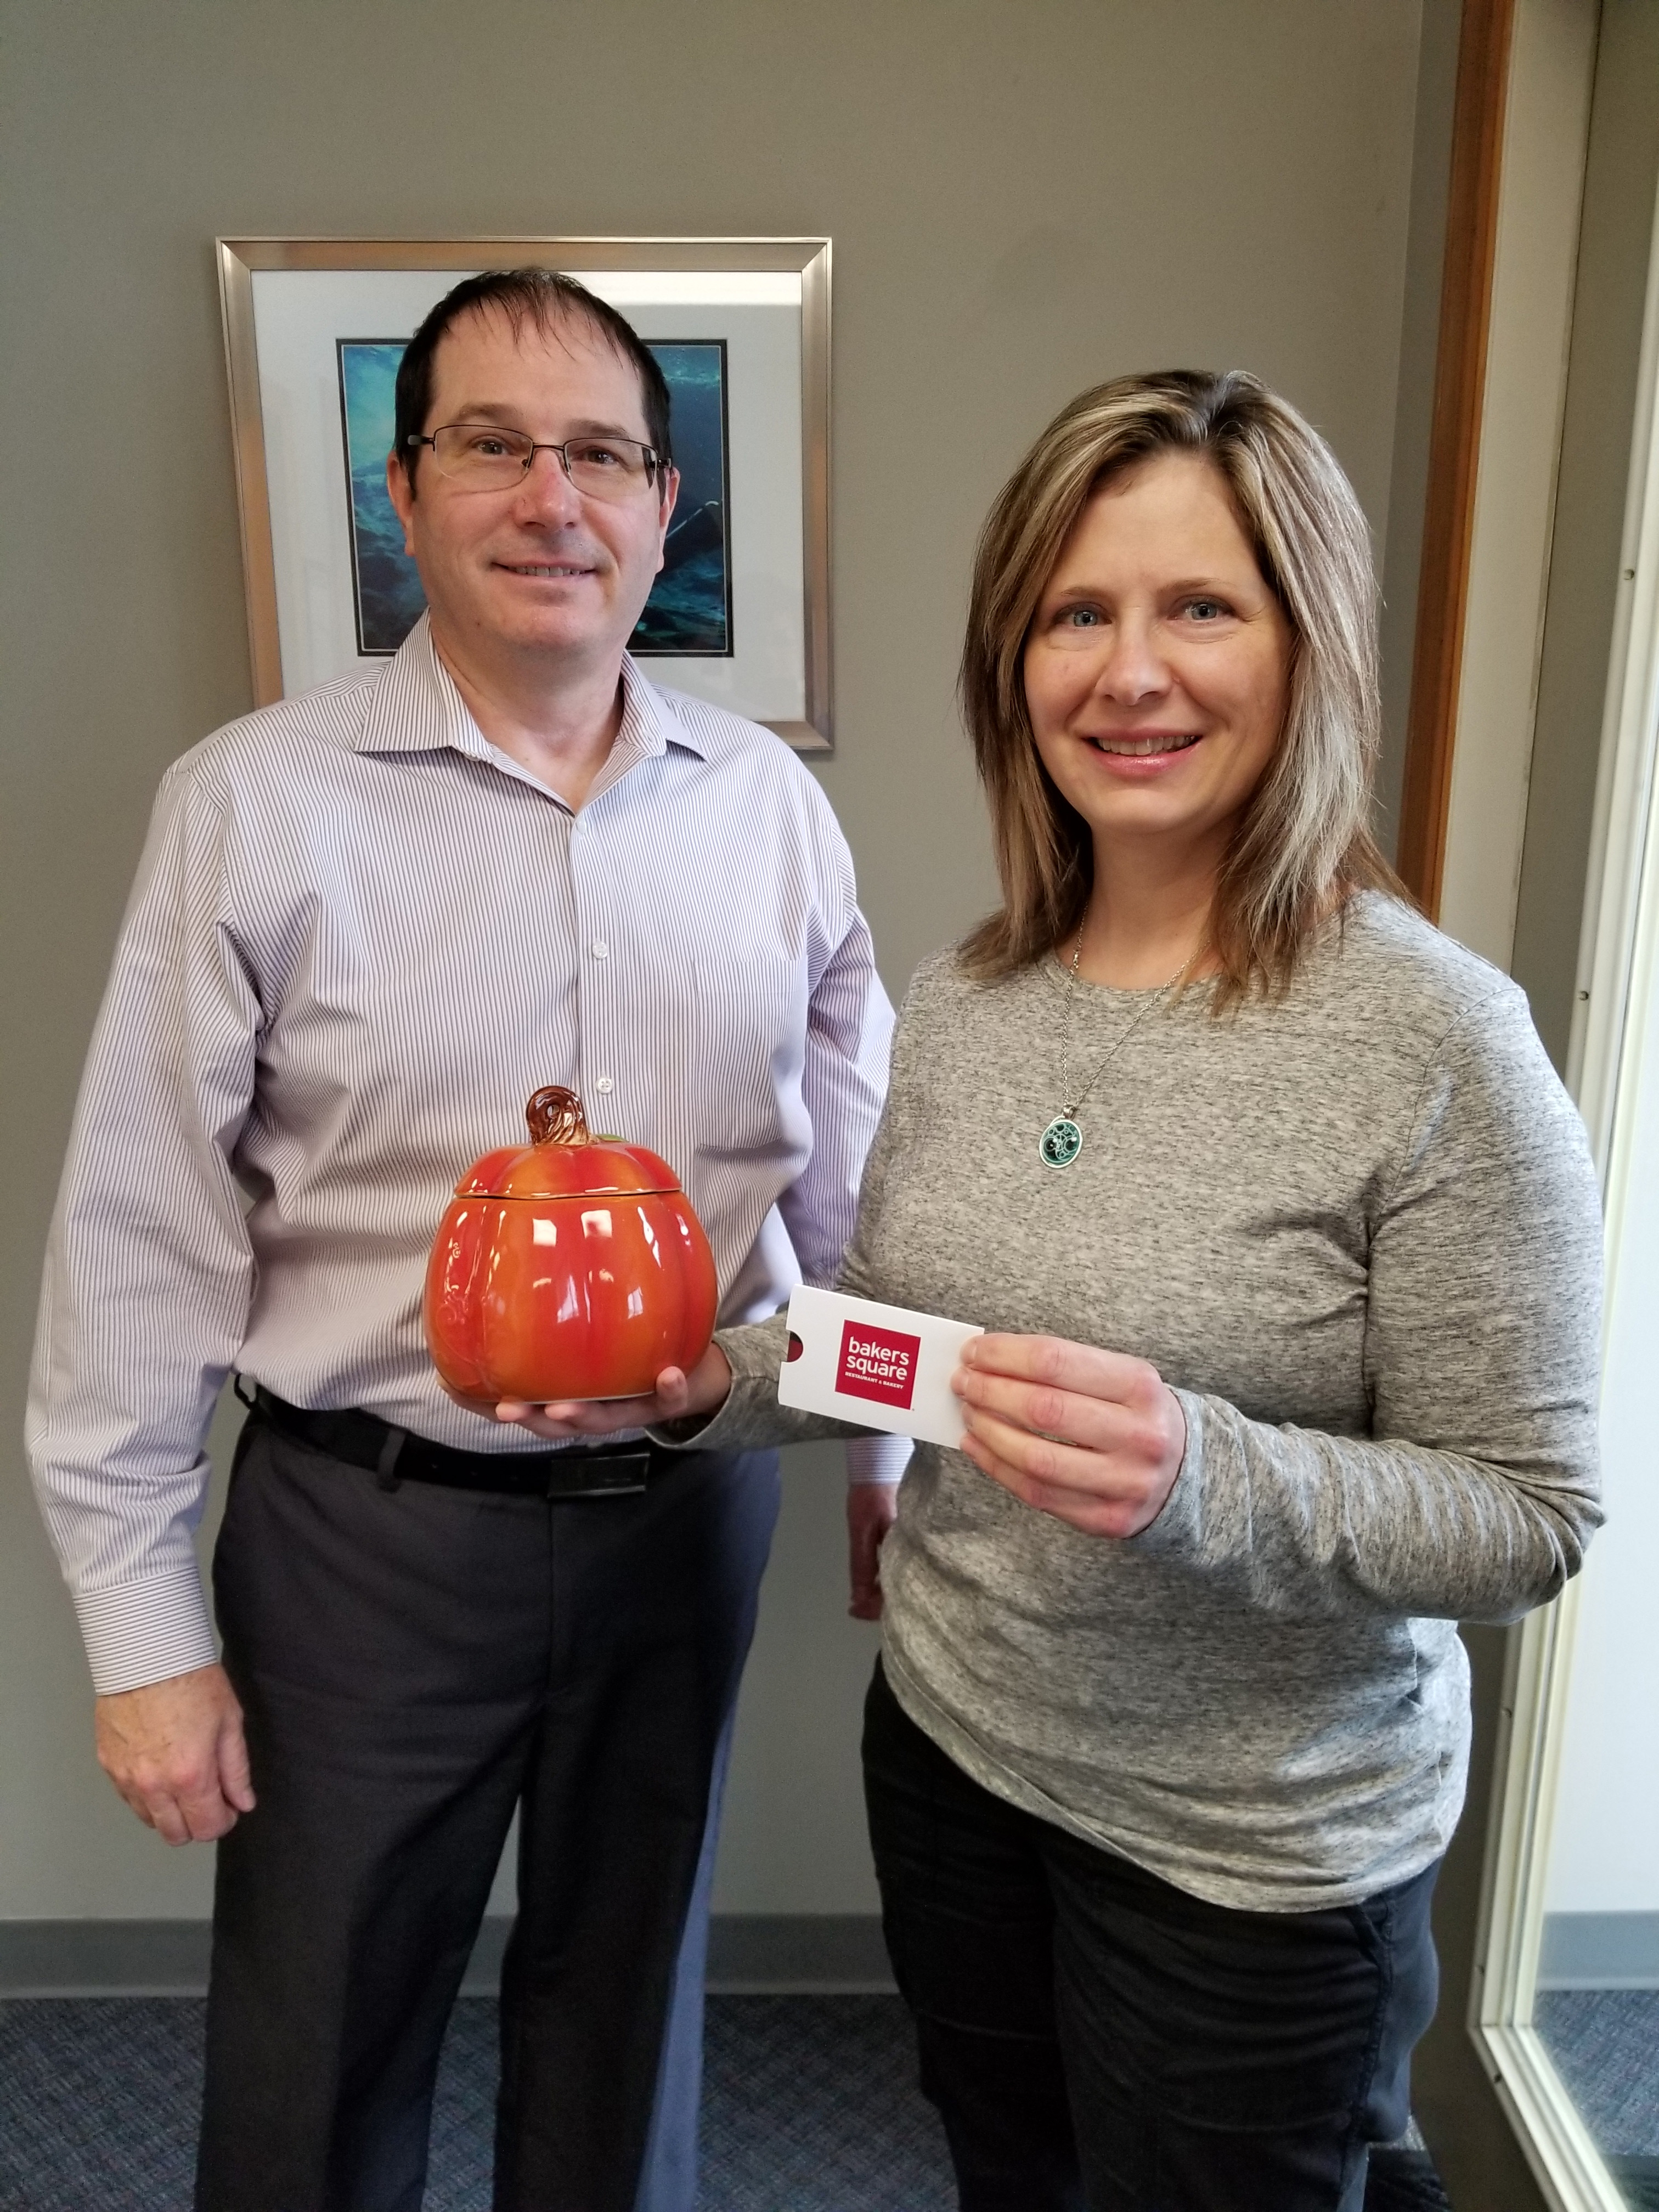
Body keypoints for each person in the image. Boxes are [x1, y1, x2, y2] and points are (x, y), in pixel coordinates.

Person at [506, 369, 1605, 2211]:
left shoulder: (1438, 1042)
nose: (1129, 672)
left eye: (1201, 608)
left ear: (1306, 646)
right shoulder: (976, 996)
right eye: (1077, 613)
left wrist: (1207, 1472)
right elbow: (907, 1340)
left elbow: (1531, 1516)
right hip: (954, 1755)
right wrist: (716, 1380)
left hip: (1251, 1857)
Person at [26, 267, 906, 2212]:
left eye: (599, 451)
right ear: (405, 492)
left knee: (628, 2022)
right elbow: (138, 1228)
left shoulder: (766, 810)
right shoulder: (251, 806)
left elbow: (846, 1176)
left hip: (688, 1516)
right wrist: (144, 1630)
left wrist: (889, 1449)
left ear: (663, 503)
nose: (551, 496)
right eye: (493, 446)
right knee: (320, 2037)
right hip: (366, 1535)